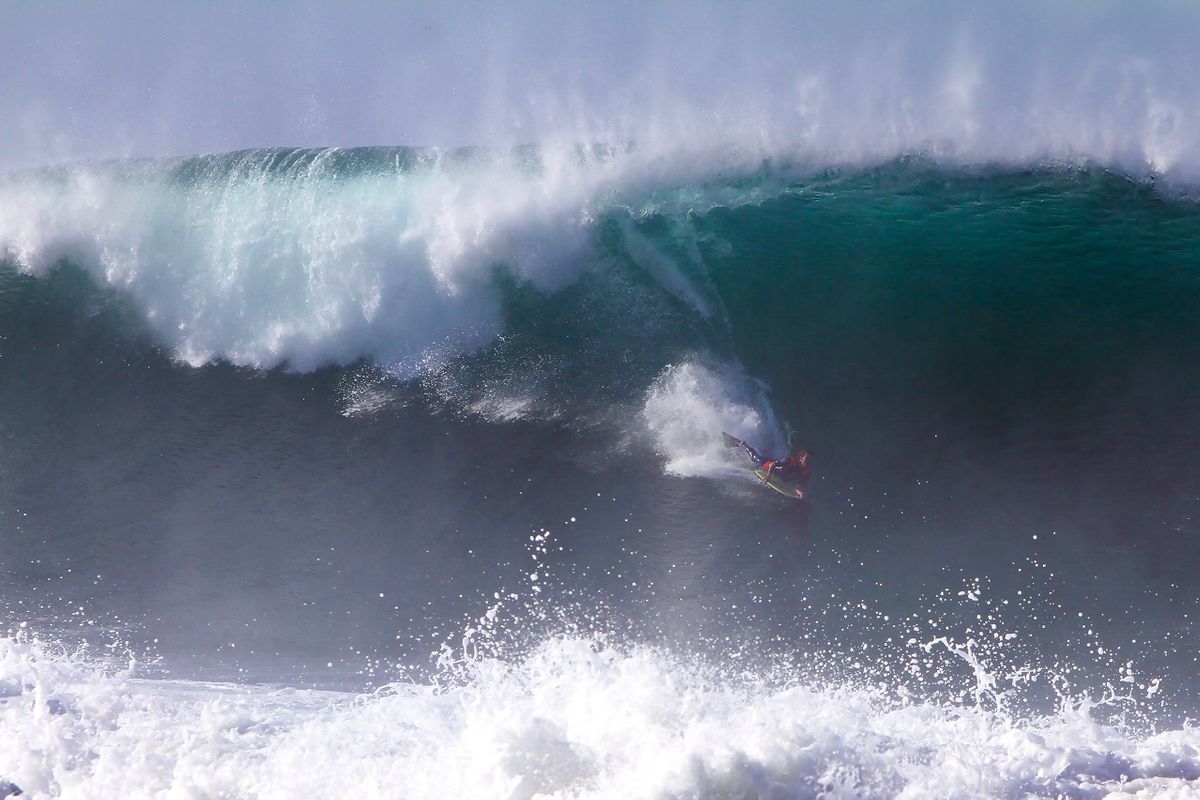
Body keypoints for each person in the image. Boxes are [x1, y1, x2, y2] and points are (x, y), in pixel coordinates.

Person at [725, 434, 811, 493]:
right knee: (755, 458)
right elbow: (772, 465)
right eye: (806, 458)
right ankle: (743, 444)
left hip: (779, 476)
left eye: (809, 459)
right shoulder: (789, 461)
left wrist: (799, 490)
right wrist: (767, 477)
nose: (807, 461)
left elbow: (801, 483)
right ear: (800, 458)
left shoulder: (806, 471)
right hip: (767, 465)